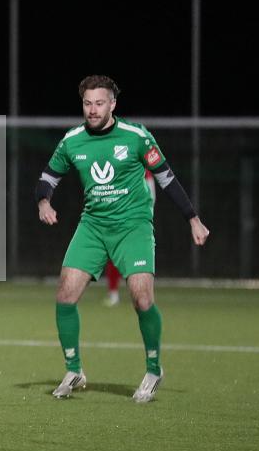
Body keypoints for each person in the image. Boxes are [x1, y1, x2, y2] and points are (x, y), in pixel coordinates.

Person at [35, 75, 210, 403]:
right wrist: (44, 201)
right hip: (93, 226)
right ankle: (74, 369)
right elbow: (48, 176)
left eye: (99, 103)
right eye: (87, 103)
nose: (93, 109)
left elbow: (166, 178)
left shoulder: (136, 136)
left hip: (133, 226)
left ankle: (154, 368)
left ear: (113, 104)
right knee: (65, 295)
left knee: (142, 298)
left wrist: (193, 219)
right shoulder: (72, 140)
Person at [103, 169, 155, 306]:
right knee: (113, 257)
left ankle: (140, 294)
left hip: (136, 222)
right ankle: (114, 294)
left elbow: (151, 196)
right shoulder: (117, 165)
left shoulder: (144, 170)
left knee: (136, 261)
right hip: (117, 219)